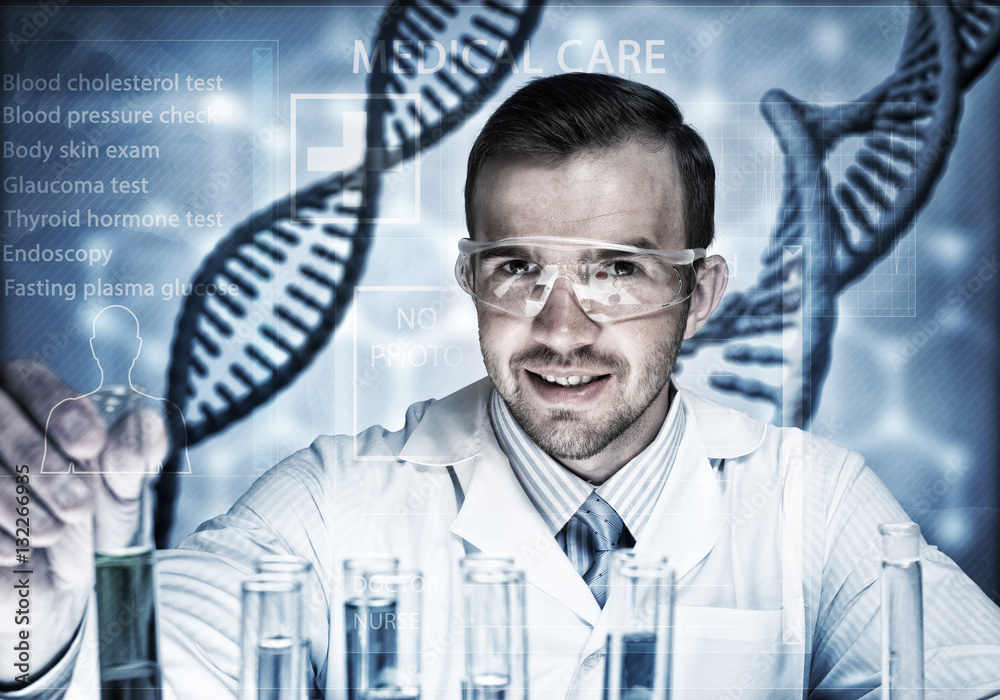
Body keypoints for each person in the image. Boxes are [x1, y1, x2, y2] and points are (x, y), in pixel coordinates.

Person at [2, 73, 999, 699]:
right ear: (470, 279)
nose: (562, 329)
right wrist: (39, 631)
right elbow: (160, 667)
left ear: (699, 293)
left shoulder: (808, 500)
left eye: (615, 270)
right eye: (518, 269)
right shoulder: (335, 500)